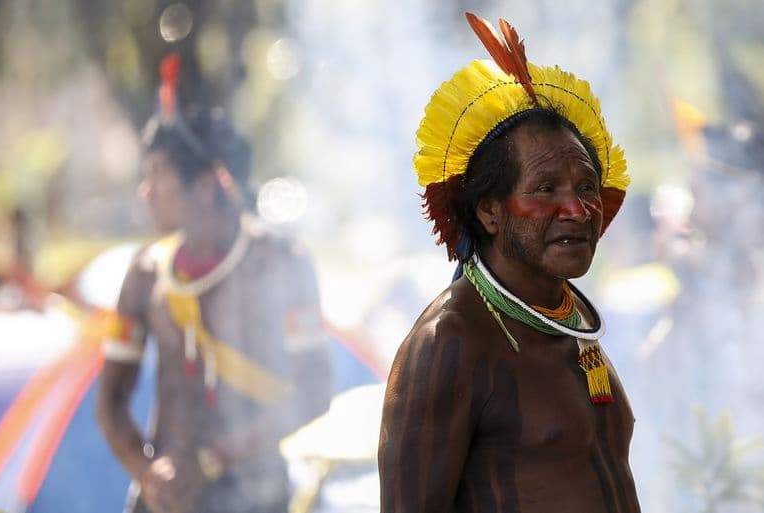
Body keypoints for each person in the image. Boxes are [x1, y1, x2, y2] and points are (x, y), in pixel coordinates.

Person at [378, 13, 640, 513]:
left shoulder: (569, 322)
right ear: (489, 210)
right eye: (545, 190)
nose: (577, 209)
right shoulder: (448, 344)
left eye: (586, 187)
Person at [95, 54, 332, 513]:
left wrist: (211, 460)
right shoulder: (146, 272)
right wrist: (150, 475)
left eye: (157, 175)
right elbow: (110, 399)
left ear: (205, 186)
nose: (146, 191)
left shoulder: (280, 262)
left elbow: (313, 391)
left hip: (256, 497)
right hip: (164, 497)